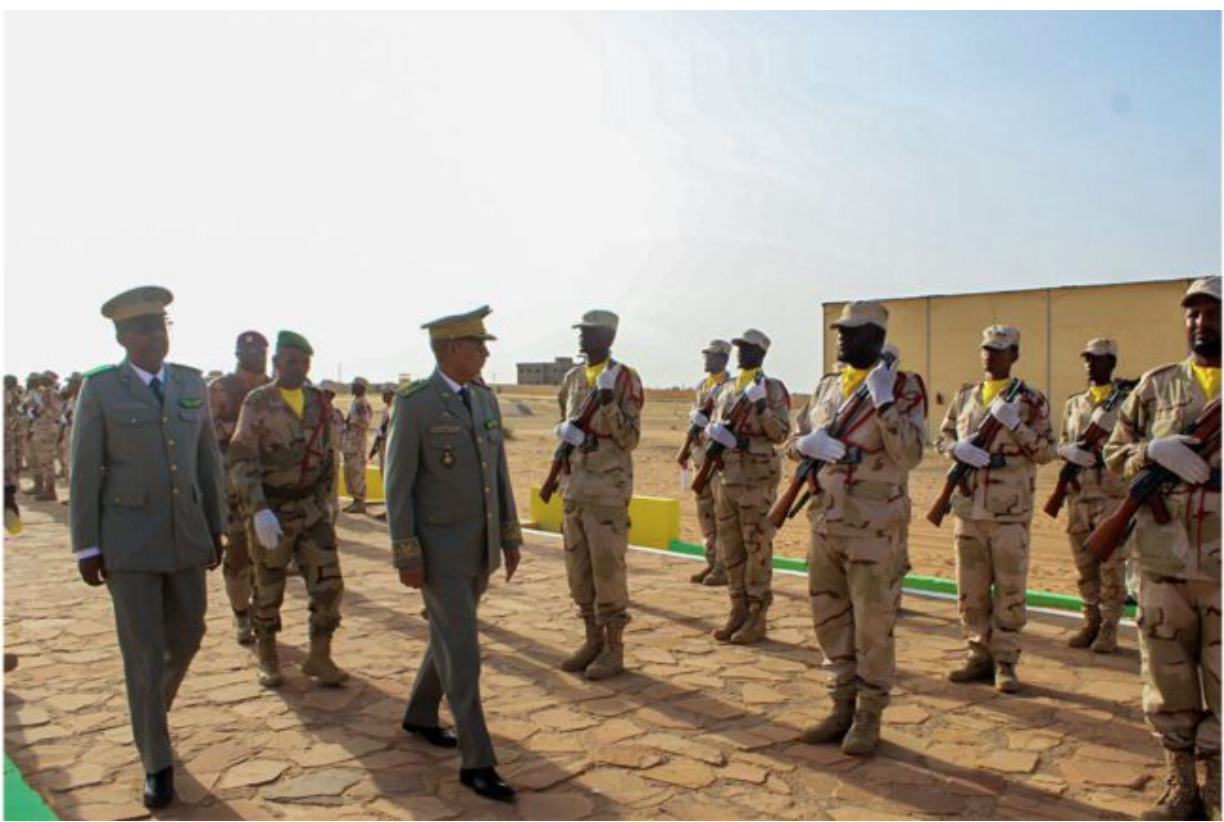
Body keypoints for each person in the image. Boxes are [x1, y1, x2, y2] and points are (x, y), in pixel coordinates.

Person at [69, 286, 225, 809]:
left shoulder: (187, 382)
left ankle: (147, 714)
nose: (154, 336)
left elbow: (207, 461)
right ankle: (156, 760)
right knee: (141, 652)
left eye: (161, 326)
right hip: (128, 543)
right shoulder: (101, 389)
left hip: (185, 536)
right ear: (122, 337)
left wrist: (215, 526)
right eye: (142, 329)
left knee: (188, 635)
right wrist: (86, 546)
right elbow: (85, 470)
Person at [385, 306, 521, 802]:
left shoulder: (484, 400)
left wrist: (509, 535)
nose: (485, 352)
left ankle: (421, 714)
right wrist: (405, 552)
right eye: (477, 344)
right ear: (449, 350)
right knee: (463, 655)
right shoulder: (416, 404)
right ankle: (477, 760)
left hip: (478, 547)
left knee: (448, 638)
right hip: (438, 553)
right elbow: (396, 485)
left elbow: (498, 474)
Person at [1104, 276, 1221, 820]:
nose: (1202, 322)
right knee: (1166, 673)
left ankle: (1218, 786)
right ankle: (1182, 786)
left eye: (1213, 312)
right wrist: (1151, 450)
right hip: (1161, 559)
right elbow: (1114, 453)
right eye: (1193, 313)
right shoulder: (1156, 384)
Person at [787, 302, 926, 756]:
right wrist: (802, 444)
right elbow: (796, 439)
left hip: (874, 528)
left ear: (877, 336)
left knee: (873, 626)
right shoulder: (829, 386)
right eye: (839, 330)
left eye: (852, 331)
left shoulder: (904, 388)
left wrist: (884, 401)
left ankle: (869, 716)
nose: (841, 337)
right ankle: (840, 706)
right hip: (826, 521)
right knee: (829, 619)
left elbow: (909, 454)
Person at [936, 325, 1054, 694]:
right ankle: (977, 654)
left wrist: (1016, 425)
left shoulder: (1031, 399)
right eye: (986, 348)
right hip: (969, 509)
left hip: (1009, 512)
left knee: (1009, 590)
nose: (991, 355)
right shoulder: (966, 396)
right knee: (969, 591)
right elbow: (943, 435)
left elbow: (1047, 452)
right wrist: (956, 450)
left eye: (1000, 350)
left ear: (1014, 355)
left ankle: (1005, 662)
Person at [227, 331, 347, 688]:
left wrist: (330, 497)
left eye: (305, 362)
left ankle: (320, 655)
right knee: (269, 586)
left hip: (311, 508)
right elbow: (242, 459)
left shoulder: (317, 401)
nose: (299, 368)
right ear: (277, 363)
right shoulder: (258, 401)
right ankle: (268, 655)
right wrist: (258, 509)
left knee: (329, 584)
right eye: (292, 361)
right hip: (272, 510)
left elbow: (328, 453)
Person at [555, 310, 644, 680]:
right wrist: (566, 434)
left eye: (590, 333)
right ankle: (591, 638)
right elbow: (565, 421)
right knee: (579, 570)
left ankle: (613, 648)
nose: (582, 338)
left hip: (607, 490)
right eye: (581, 331)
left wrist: (607, 403)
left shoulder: (625, 379)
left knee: (607, 568)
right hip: (574, 488)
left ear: (608, 337)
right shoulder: (573, 378)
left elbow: (630, 438)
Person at [704, 330, 790, 645]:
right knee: (732, 549)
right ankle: (737, 609)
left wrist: (762, 410)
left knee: (757, 548)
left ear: (762, 353)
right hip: (727, 478)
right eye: (739, 348)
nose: (741, 353)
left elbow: (780, 433)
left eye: (748, 349)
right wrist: (714, 434)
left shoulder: (771, 389)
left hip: (756, 480)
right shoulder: (725, 388)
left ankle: (757, 615)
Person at [1058, 338, 1129, 654]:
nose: (1090, 364)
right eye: (1087, 358)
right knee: (1083, 565)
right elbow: (1061, 441)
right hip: (1078, 496)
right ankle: (1090, 621)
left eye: (1098, 359)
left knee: (1111, 565)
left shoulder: (1127, 401)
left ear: (1111, 363)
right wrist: (1067, 452)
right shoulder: (1074, 404)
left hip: (1111, 495)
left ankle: (1109, 629)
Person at [207, 331, 271, 645]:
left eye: (260, 350)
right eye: (249, 350)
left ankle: (264, 611)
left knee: (270, 555)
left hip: (271, 490)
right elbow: (206, 440)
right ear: (236, 353)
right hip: (232, 490)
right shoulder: (219, 390)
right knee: (238, 554)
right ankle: (241, 611)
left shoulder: (275, 389)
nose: (255, 355)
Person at [684, 339, 731, 586]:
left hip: (719, 462)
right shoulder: (702, 386)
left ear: (723, 359)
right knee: (705, 516)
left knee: (720, 514)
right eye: (706, 355)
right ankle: (712, 562)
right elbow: (693, 426)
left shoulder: (731, 387)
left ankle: (723, 567)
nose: (706, 359)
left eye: (711, 356)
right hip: (700, 458)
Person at [28, 371, 63, 501]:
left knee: (47, 462)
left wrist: (39, 410)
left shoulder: (50, 393)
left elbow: (54, 412)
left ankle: (50, 491)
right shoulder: (45, 393)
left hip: (46, 430)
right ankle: (46, 489)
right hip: (42, 429)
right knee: (44, 462)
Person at [341, 377, 373, 514]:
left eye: (355, 386)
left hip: (357, 443)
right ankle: (355, 500)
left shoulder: (362, 404)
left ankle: (360, 502)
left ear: (362, 388)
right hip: (350, 442)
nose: (352, 387)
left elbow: (364, 423)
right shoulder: (356, 402)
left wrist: (350, 423)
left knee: (356, 472)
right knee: (350, 472)